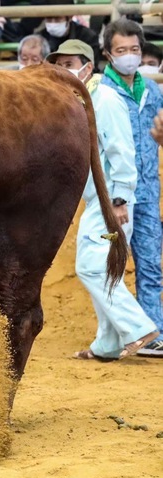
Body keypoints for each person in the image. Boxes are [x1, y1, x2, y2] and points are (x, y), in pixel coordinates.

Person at [45, 40, 160, 360]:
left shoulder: (104, 98)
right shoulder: (81, 100)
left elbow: (122, 151)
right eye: (58, 64)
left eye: (69, 64)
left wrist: (120, 198)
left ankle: (139, 328)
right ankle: (107, 345)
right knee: (105, 269)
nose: (62, 71)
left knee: (91, 268)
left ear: (88, 66)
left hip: (111, 200)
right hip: (101, 198)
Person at [101, 19, 163, 357]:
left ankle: (153, 331)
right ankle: (116, 335)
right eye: (121, 50)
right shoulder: (102, 92)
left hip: (149, 191)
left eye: (135, 50)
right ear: (108, 54)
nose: (129, 56)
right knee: (109, 263)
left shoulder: (153, 91)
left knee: (151, 262)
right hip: (113, 194)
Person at [39, 0, 101, 70]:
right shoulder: (40, 38)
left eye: (57, 18)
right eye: (49, 18)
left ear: (70, 17)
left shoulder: (88, 37)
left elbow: (93, 68)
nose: (53, 23)